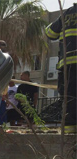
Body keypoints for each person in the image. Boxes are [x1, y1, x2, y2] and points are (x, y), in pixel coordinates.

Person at [45, 3, 77, 134]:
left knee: (69, 96)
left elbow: (50, 33)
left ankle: (69, 131)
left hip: (67, 64)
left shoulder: (67, 14)